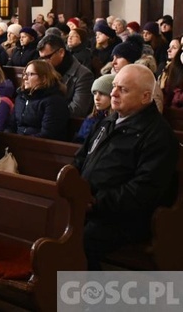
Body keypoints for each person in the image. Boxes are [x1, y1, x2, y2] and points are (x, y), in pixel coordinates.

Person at [74, 65, 179, 270]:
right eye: (114, 86)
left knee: (82, 240)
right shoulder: (107, 122)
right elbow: (80, 159)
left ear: (145, 96)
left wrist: (95, 203)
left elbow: (143, 191)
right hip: (89, 205)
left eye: (123, 89)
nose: (112, 93)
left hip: (124, 218)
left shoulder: (158, 136)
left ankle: (91, 298)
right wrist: (73, 188)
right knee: (50, 222)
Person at [10, 59, 70, 140]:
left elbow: (48, 134)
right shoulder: (21, 98)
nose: (25, 78)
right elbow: (11, 125)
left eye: (30, 74)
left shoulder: (54, 101)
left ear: (44, 78)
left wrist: (21, 142)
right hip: (20, 143)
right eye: (25, 74)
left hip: (42, 147)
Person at [37, 34, 94, 118]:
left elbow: (77, 110)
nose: (44, 62)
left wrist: (46, 112)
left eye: (47, 57)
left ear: (61, 52)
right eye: (41, 58)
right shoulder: (43, 70)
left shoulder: (84, 75)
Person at [74, 74, 114, 143]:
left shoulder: (115, 121)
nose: (96, 98)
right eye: (95, 93)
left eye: (102, 93)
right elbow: (79, 142)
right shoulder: (91, 118)